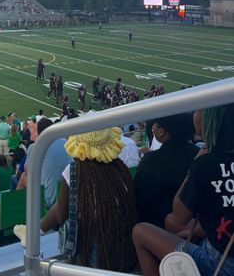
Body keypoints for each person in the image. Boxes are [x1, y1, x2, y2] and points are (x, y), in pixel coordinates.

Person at [15, 127, 137, 271]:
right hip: (124, 249)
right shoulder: (119, 169)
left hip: (90, 253)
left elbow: (61, 216)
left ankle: (35, 230)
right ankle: (37, 229)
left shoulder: (73, 171)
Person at [132, 103, 234, 276]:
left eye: (199, 109)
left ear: (213, 119)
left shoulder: (206, 163)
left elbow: (177, 218)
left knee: (140, 231)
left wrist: (196, 163)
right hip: (224, 248)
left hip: (220, 262)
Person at [134, 113, 198, 227]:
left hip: (159, 230)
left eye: (155, 125)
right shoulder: (200, 154)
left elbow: (141, 203)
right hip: (197, 228)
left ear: (161, 131)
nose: (152, 128)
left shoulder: (150, 161)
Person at [17, 117, 72, 209]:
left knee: (23, 177)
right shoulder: (66, 142)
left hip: (49, 199)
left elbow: (27, 171)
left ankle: (17, 210)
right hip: (67, 195)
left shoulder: (35, 146)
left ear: (39, 132)